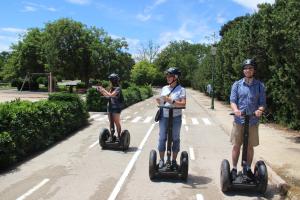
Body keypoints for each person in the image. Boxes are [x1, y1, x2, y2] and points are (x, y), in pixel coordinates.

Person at [229, 58, 266, 179]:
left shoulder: (260, 85)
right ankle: (234, 169)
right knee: (236, 145)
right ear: (243, 70)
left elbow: (262, 103)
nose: (247, 70)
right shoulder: (237, 84)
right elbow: (233, 100)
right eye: (245, 68)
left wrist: (260, 110)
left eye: (250, 68)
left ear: (253, 70)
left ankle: (248, 168)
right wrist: (235, 110)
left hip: (253, 121)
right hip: (239, 121)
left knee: (250, 146)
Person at [156, 67, 186, 170]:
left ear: (176, 77)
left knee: (175, 138)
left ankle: (173, 161)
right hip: (164, 116)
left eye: (170, 76)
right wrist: (159, 101)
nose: (167, 78)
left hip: (176, 117)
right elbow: (161, 102)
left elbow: (183, 104)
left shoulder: (181, 90)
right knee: (162, 138)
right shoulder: (164, 88)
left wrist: (170, 100)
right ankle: (161, 160)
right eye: (167, 76)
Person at [97, 73, 124, 141]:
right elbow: (108, 96)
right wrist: (101, 91)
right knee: (111, 122)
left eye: (110, 80)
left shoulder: (118, 89)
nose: (109, 82)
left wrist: (104, 90)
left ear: (113, 81)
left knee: (116, 122)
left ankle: (119, 136)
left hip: (116, 108)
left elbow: (111, 95)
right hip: (110, 107)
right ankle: (111, 136)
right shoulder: (111, 88)